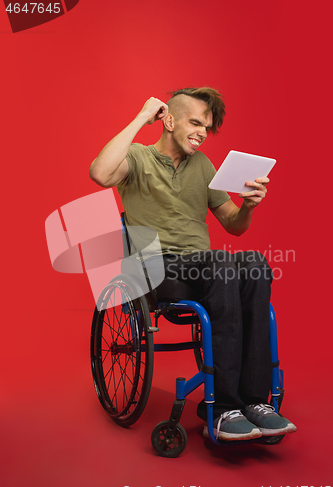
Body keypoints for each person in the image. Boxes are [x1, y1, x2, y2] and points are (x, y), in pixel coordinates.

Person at [90, 87, 296, 441]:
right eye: (196, 123)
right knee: (220, 263)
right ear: (169, 121)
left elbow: (233, 224)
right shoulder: (138, 158)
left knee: (256, 264)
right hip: (156, 268)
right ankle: (222, 408)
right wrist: (141, 117)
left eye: (208, 126)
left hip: (204, 267)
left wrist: (248, 205)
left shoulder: (203, 165)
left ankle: (253, 401)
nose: (203, 132)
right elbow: (100, 172)